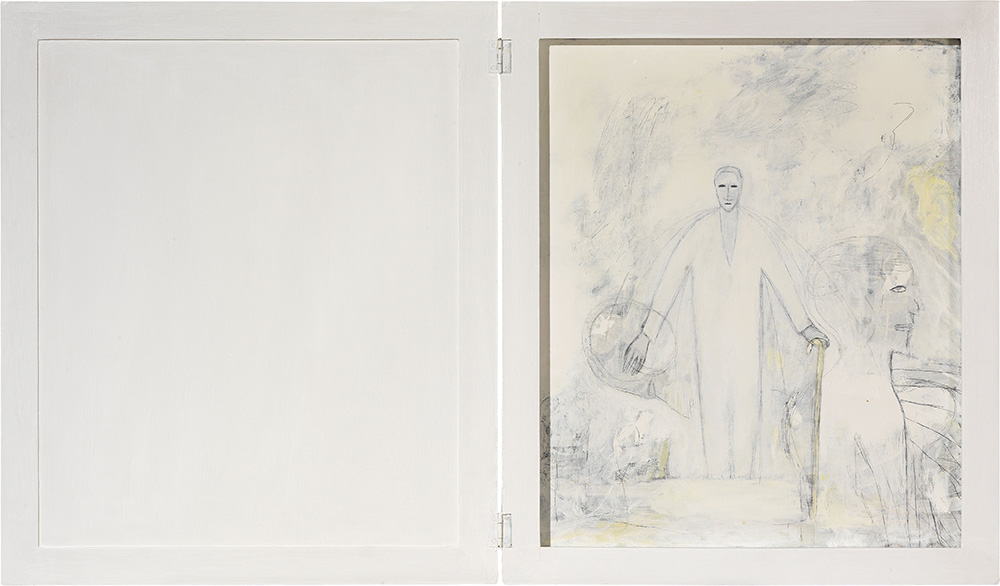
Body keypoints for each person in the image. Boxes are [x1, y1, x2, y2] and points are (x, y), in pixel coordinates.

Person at [622, 166, 827, 479]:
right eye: (722, 187)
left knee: (747, 414)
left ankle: (743, 485)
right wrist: (646, 335)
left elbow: (782, 279)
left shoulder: (756, 232)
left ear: (741, 188)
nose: (728, 194)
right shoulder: (699, 231)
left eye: (733, 187)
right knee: (714, 413)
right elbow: (669, 283)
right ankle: (718, 486)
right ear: (714, 189)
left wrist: (805, 327)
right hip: (710, 343)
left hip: (748, 342)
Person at [809, 237, 922, 546]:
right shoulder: (852, 398)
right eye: (898, 290)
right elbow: (843, 530)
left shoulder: (876, 391)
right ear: (858, 303)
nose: (915, 306)